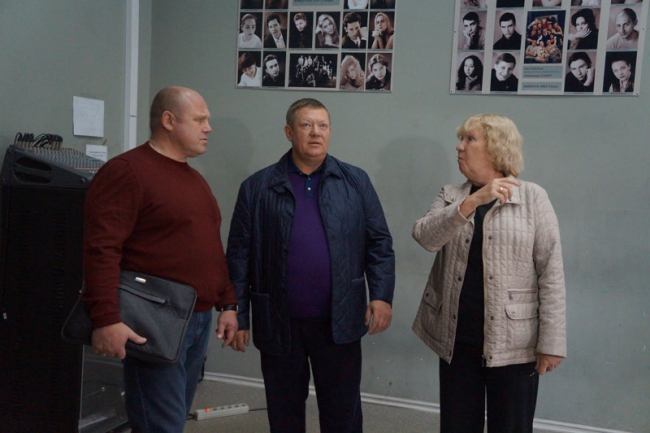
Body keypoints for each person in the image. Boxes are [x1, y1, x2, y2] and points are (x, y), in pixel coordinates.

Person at [227, 98, 395, 433]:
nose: (316, 133)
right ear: (289, 132)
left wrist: (381, 296)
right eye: (306, 125)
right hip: (279, 322)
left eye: (322, 126)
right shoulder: (257, 187)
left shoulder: (355, 181)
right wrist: (237, 312)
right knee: (284, 413)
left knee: (342, 413)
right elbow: (238, 255)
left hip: (339, 320)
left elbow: (379, 243)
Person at [82, 87, 238, 433]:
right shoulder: (126, 171)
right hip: (154, 319)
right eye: (200, 119)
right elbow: (101, 250)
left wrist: (228, 303)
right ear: (169, 120)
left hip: (196, 320)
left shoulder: (195, 180)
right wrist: (105, 318)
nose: (208, 127)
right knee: (160, 426)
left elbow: (210, 248)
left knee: (173, 421)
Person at [412, 113, 567, 433]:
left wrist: (552, 342)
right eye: (461, 139)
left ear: (496, 148)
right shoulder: (451, 195)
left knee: (511, 426)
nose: (459, 147)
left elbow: (551, 274)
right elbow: (426, 238)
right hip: (457, 339)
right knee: (457, 426)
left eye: (469, 139)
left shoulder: (533, 198)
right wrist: (471, 202)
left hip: (516, 344)